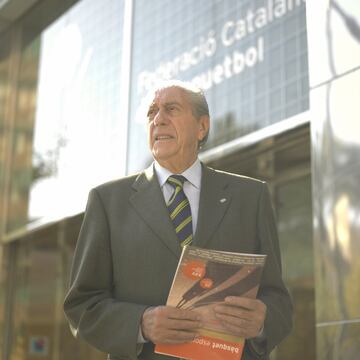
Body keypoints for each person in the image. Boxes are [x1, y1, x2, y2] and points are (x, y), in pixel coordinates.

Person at [63, 80, 292, 360]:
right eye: (151, 112)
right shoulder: (107, 201)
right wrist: (140, 323)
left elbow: (278, 300)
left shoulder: (251, 196)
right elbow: (82, 305)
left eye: (171, 109)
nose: (158, 119)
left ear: (202, 127)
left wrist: (262, 321)